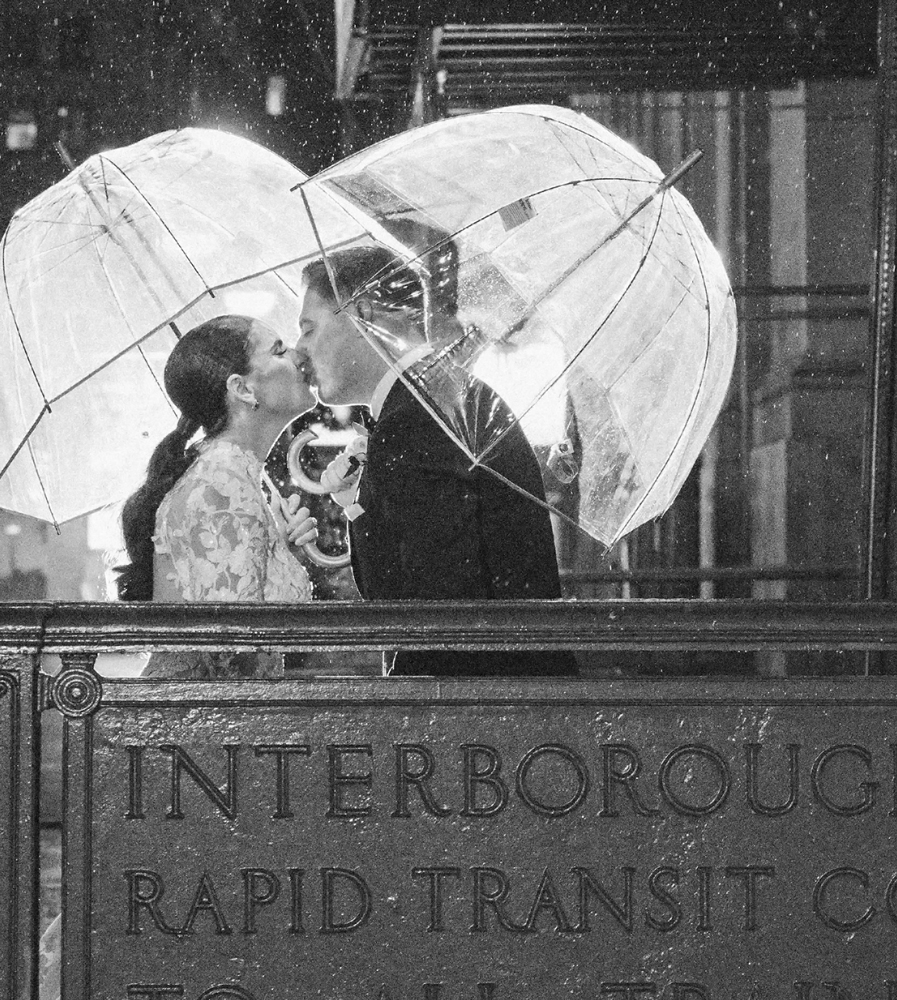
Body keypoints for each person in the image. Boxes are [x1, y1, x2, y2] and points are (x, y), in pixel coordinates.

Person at [296, 239, 577, 677]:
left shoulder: (416, 419)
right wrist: (359, 499)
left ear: (364, 313)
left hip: (477, 704)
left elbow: (427, 607)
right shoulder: (437, 398)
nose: (300, 349)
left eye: (309, 328)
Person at [115, 314, 322, 675]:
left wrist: (281, 550)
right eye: (279, 351)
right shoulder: (220, 486)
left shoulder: (228, 475)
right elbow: (234, 656)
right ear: (243, 389)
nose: (298, 356)